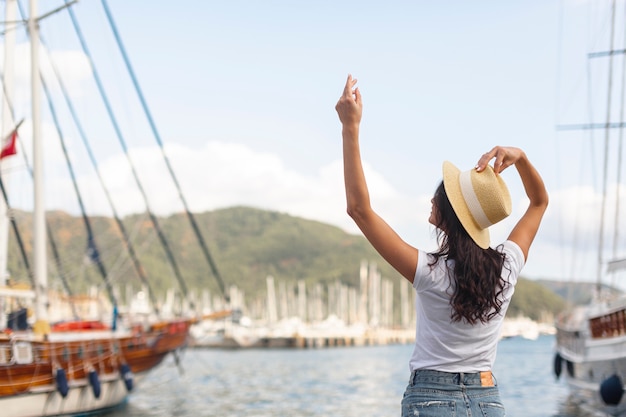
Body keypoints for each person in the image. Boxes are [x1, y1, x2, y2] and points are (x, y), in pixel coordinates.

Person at [335, 74, 548, 417]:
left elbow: (359, 210)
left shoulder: (429, 272)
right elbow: (538, 202)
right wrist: (520, 158)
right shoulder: (507, 266)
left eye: (440, 193)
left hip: (431, 399)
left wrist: (350, 127)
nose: (431, 200)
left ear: (447, 212)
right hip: (487, 400)